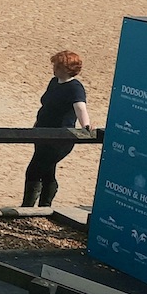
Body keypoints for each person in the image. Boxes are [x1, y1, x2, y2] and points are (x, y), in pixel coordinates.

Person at [22, 51, 91, 207]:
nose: (54, 68)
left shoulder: (75, 87)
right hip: (42, 135)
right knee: (47, 170)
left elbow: (80, 108)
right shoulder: (54, 82)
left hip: (60, 138)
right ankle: (43, 207)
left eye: (57, 65)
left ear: (66, 68)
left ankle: (29, 207)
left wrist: (86, 125)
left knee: (34, 170)